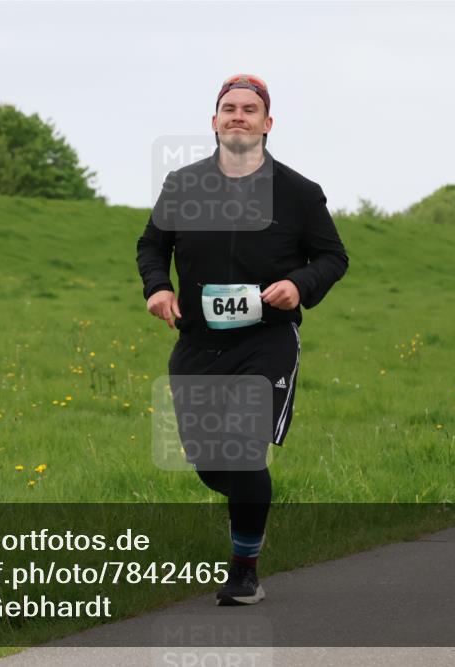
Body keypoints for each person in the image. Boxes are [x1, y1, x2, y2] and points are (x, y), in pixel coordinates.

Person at [136, 74, 349, 605]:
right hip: (199, 342)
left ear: (267, 124)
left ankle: (243, 571)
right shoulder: (183, 186)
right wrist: (158, 288)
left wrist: (298, 285)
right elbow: (151, 245)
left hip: (266, 342)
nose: (238, 116)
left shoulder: (298, 193)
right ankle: (255, 503)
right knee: (209, 460)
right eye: (228, 108)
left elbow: (333, 258)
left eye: (249, 109)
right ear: (214, 122)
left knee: (244, 453)